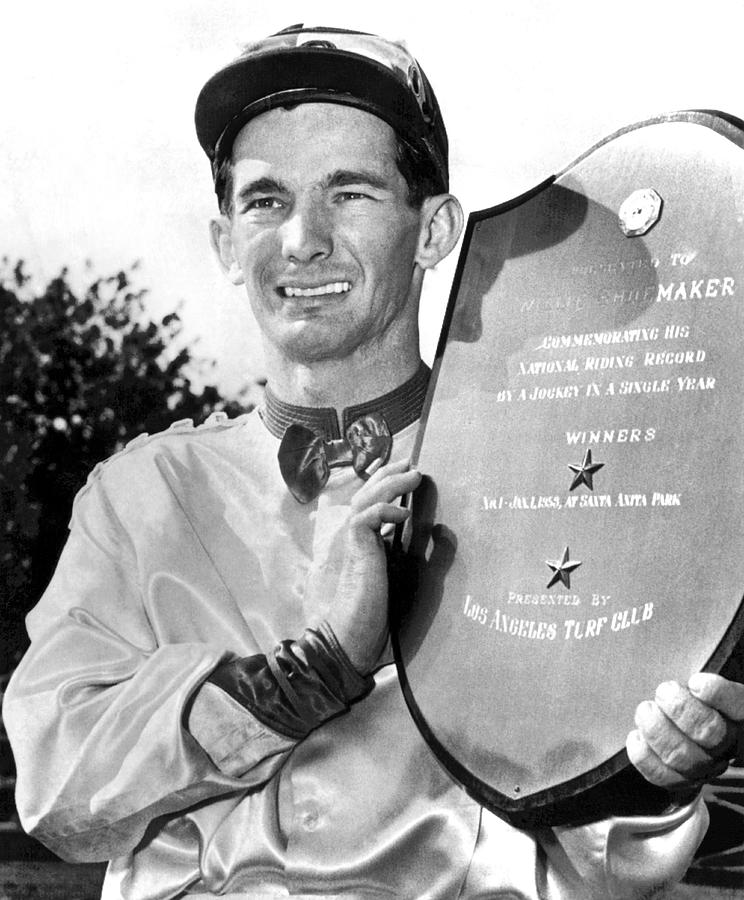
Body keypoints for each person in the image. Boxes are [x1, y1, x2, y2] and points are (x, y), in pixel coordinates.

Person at [4, 24, 744, 900]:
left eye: (349, 194)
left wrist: (651, 775)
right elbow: (59, 790)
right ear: (222, 243)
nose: (303, 239)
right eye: (265, 201)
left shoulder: (551, 476)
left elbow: (598, 851)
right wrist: (312, 667)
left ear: (434, 231)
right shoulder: (139, 495)